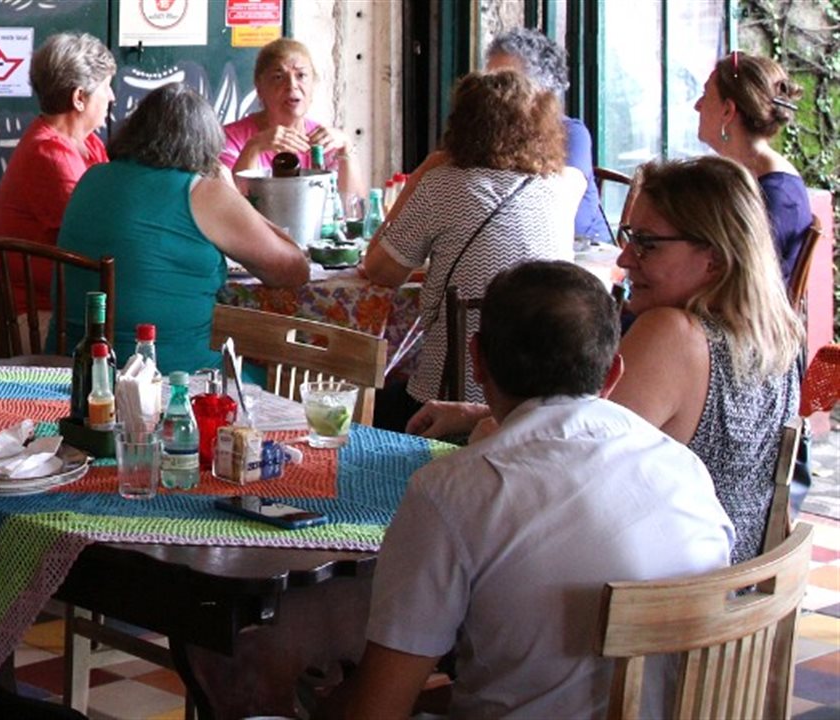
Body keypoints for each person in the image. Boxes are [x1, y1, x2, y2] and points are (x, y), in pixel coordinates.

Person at [340, 261, 734, 719]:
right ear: (613, 375)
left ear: (478, 362)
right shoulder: (683, 468)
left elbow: (378, 708)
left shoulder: (453, 490)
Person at [407, 156, 803, 564]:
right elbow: (584, 431)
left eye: (647, 244)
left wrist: (486, 430)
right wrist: (477, 413)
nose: (625, 259)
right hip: (737, 598)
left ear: (714, 258)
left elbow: (559, 464)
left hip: (663, 602)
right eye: (629, 236)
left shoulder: (674, 333)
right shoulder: (779, 334)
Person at [363, 69, 584, 431]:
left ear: (461, 126)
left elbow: (380, 271)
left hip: (450, 397)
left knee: (364, 407)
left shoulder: (441, 186)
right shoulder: (566, 186)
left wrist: (421, 174)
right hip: (543, 403)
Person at [56, 83, 309, 373]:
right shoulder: (204, 194)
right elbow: (294, 269)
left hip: (77, 372)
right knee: (283, 376)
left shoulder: (92, 177)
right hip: (173, 379)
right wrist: (231, 192)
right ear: (206, 144)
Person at [0, 32, 116, 354]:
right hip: (22, 317)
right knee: (134, 333)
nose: (112, 97)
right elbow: (97, 233)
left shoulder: (87, 143)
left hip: (53, 303)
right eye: (106, 87)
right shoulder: (49, 154)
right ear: (80, 98)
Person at [695, 50, 811, 285]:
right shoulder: (742, 176)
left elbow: (740, 285)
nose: (698, 106)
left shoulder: (778, 196)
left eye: (705, 95)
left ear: (728, 111)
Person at [485, 27, 610, 244]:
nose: (491, 94)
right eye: (489, 82)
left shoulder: (571, 133)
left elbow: (560, 206)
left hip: (584, 256)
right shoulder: (486, 135)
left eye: (507, 83)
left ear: (543, 90)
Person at [219, 38, 366, 198]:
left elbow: (354, 209)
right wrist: (254, 147)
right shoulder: (229, 138)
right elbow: (230, 205)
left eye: (301, 75)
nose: (291, 85)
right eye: (278, 77)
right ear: (259, 88)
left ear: (313, 85)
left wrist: (346, 147)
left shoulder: (325, 141)